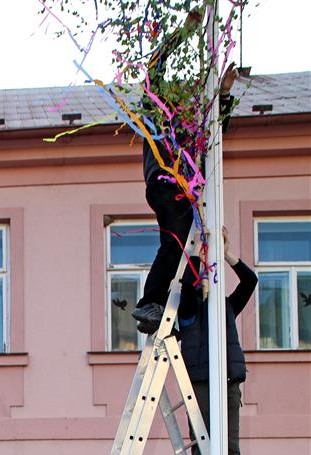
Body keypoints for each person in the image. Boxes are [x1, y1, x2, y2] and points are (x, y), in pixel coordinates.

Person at [131, 9, 237, 335]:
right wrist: (186, 33)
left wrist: (224, 96)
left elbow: (212, 140)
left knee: (181, 248)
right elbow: (155, 70)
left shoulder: (190, 131)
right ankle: (149, 303)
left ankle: (166, 309)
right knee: (176, 243)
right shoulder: (159, 111)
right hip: (165, 181)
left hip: (180, 187)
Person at [178, 228, 258, 455]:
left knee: (231, 448)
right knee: (202, 444)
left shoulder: (226, 307)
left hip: (227, 381)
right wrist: (199, 253)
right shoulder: (188, 310)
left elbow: (250, 281)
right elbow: (186, 285)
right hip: (199, 382)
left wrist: (226, 254)